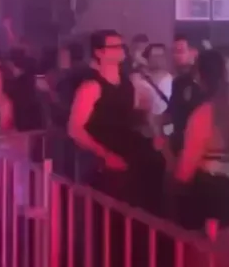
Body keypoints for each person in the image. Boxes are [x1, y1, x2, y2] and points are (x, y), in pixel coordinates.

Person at [68, 30, 163, 210]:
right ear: (99, 52)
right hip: (104, 156)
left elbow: (130, 118)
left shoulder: (127, 83)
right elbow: (75, 129)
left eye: (121, 46)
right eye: (114, 47)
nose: (120, 50)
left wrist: (152, 134)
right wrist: (105, 155)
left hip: (129, 150)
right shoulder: (91, 86)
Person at [174, 49, 229, 230]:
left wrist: (177, 182)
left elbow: (188, 162)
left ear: (200, 77)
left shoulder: (202, 114)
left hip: (207, 190)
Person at [168, 35, 204, 153]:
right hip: (179, 144)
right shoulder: (178, 82)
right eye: (173, 52)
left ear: (194, 53)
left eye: (180, 51)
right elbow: (173, 112)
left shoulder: (203, 80)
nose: (175, 56)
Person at [133, 43, 173, 135]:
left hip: (164, 130)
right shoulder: (137, 80)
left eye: (161, 56)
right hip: (144, 130)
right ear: (147, 58)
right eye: (154, 56)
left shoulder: (173, 81)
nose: (158, 59)